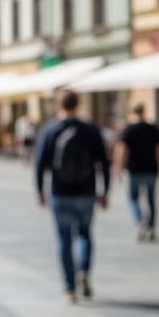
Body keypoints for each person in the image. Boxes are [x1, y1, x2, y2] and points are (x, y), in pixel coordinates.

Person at [34, 90, 110, 303]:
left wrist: (40, 190)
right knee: (85, 233)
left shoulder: (49, 130)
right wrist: (106, 191)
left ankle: (69, 288)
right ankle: (83, 270)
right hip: (87, 192)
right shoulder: (90, 129)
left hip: (60, 193)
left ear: (58, 105)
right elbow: (104, 162)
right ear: (78, 104)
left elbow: (39, 163)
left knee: (64, 239)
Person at [114, 103, 159, 242]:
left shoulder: (128, 129)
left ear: (131, 112)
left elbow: (122, 151)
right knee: (151, 200)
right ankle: (152, 228)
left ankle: (141, 221)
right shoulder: (153, 128)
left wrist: (118, 168)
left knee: (133, 199)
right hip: (151, 169)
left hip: (135, 170)